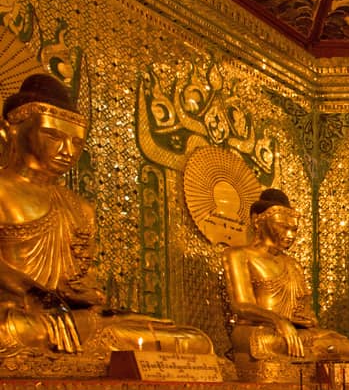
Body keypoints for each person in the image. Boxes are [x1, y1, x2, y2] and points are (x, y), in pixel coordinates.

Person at [0, 73, 212, 370]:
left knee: (192, 340)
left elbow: (78, 278)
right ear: (9, 130)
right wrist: (39, 298)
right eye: (53, 136)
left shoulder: (78, 207)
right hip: (15, 317)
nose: (68, 152)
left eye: (77, 142)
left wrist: (87, 294)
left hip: (72, 320)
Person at [223, 188, 349, 366]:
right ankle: (310, 353)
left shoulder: (293, 264)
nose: (290, 235)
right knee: (266, 342)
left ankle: (310, 353)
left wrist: (305, 320)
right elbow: (241, 305)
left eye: (294, 230)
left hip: (295, 332)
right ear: (258, 221)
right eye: (283, 227)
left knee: (347, 346)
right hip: (259, 330)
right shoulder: (238, 255)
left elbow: (306, 314)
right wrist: (278, 321)